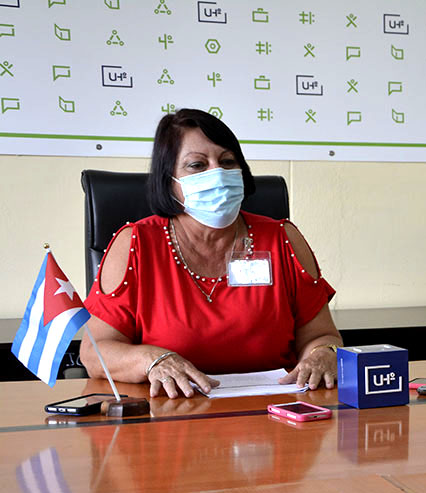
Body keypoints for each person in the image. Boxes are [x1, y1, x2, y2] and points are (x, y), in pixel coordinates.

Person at [80, 109, 342, 398]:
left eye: (228, 161)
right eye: (197, 165)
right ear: (169, 181)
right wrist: (151, 361)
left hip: (275, 412)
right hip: (172, 414)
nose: (217, 173)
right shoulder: (135, 244)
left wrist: (323, 354)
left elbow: (323, 336)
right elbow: (94, 352)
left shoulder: (282, 238)